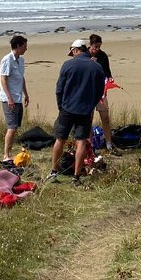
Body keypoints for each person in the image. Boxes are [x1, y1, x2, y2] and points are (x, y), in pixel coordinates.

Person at [48, 39, 107, 185]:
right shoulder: (96, 67)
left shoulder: (68, 65)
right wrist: (91, 104)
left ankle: (54, 172)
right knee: (81, 141)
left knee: (60, 139)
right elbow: (100, 91)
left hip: (67, 108)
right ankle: (76, 177)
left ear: (75, 50)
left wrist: (60, 105)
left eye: (72, 52)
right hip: (85, 109)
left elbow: (59, 88)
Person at [0, 35, 30, 166]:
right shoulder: (7, 59)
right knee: (11, 128)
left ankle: (10, 152)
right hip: (9, 99)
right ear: (18, 46)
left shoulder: (20, 60)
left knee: (15, 127)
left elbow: (21, 78)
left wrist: (26, 94)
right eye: (24, 46)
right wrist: (9, 98)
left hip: (18, 97)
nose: (26, 48)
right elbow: (3, 79)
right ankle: (6, 154)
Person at [88, 33, 119, 155]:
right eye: (95, 47)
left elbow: (107, 72)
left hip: (101, 91)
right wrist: (90, 63)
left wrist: (110, 78)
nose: (97, 49)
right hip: (88, 92)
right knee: (88, 120)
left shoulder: (103, 56)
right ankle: (89, 145)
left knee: (105, 118)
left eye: (99, 47)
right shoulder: (85, 55)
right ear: (90, 45)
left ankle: (109, 144)